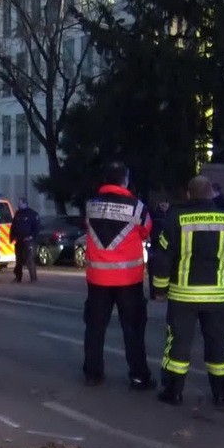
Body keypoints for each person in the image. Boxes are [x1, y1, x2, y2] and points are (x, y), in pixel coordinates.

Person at [152, 176, 224, 406]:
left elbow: (163, 259)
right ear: (211, 194)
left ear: (188, 194)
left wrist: (160, 289)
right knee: (218, 344)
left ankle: (173, 392)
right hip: (218, 295)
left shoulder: (176, 218)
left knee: (178, 345)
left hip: (183, 295)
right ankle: (222, 393)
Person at [83, 161, 154, 390]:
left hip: (97, 280)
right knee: (133, 330)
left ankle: (93, 374)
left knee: (95, 329)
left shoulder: (90, 205)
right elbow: (146, 230)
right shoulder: (137, 207)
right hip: (127, 280)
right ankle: (139, 376)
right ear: (125, 180)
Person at [9, 197, 40, 283]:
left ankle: (33, 278)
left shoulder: (32, 214)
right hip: (19, 240)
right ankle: (18, 278)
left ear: (25, 204)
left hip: (28, 241)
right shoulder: (17, 214)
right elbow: (13, 227)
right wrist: (12, 238)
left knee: (29, 259)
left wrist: (31, 237)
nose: (18, 205)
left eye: (20, 203)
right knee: (18, 260)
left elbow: (37, 228)